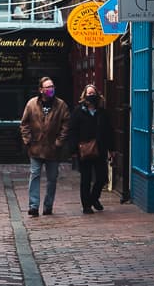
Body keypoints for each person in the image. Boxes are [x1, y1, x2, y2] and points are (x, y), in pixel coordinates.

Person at [20, 76, 70, 217]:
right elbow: (24, 124)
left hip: (53, 149)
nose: (51, 89)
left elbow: (66, 125)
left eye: (52, 86)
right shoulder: (32, 104)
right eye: (47, 87)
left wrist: (59, 142)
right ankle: (34, 206)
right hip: (36, 147)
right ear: (41, 90)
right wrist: (28, 140)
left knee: (52, 178)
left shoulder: (61, 105)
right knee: (34, 175)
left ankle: (48, 206)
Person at [68, 83, 115, 214]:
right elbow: (72, 131)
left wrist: (112, 149)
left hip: (100, 149)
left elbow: (109, 131)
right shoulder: (78, 112)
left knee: (101, 178)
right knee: (86, 179)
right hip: (84, 149)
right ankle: (86, 206)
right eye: (89, 93)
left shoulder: (102, 112)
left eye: (93, 93)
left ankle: (94, 198)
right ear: (84, 96)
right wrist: (73, 149)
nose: (91, 96)